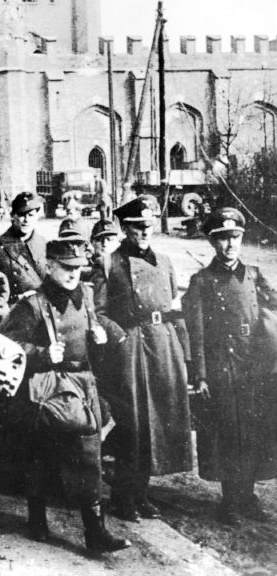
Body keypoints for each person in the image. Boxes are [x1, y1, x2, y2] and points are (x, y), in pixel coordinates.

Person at [0, 238, 131, 553]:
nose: (73, 273)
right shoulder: (32, 304)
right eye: (66, 268)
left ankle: (94, 530)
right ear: (50, 266)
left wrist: (98, 337)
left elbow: (90, 324)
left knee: (88, 454)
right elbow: (6, 346)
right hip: (47, 389)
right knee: (41, 454)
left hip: (82, 383)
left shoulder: (85, 294)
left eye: (77, 268)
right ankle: (37, 518)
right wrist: (42, 354)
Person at [92, 194, 192, 522]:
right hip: (129, 349)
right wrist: (118, 336)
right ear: (125, 228)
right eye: (137, 227)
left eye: (149, 226)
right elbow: (97, 311)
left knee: (158, 422)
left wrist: (184, 353)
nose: (144, 232)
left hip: (162, 347)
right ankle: (123, 497)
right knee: (132, 425)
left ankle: (142, 493)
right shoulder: (109, 263)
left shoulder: (164, 261)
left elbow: (174, 309)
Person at [182, 207, 277, 525]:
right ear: (213, 243)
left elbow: (273, 305)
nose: (230, 245)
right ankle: (231, 502)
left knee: (252, 432)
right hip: (223, 368)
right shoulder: (202, 281)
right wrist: (201, 374)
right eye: (223, 239)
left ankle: (248, 497)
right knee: (228, 434)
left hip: (254, 366)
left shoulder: (253, 274)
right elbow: (195, 332)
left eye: (235, 237)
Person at [0, 191, 46, 317]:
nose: (26, 220)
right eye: (22, 215)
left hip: (42, 311)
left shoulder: (43, 244)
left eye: (31, 215)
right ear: (13, 216)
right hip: (13, 313)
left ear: (37, 217)